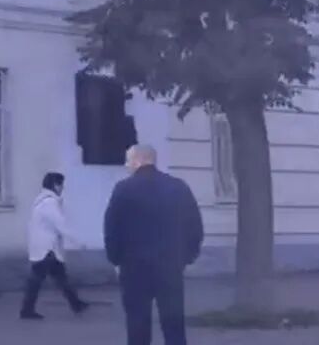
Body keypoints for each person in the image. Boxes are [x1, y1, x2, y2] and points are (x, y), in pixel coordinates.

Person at [104, 145, 204, 345]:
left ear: (138, 161)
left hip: (134, 268)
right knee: (174, 325)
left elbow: (112, 228)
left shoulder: (124, 189)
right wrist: (186, 257)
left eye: (128, 161)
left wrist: (116, 259)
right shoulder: (178, 187)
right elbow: (195, 226)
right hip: (170, 266)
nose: (126, 166)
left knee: (137, 324)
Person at [20, 172, 89, 320]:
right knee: (38, 280)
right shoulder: (49, 203)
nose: (63, 188)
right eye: (61, 185)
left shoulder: (41, 201)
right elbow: (61, 225)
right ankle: (27, 310)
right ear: (56, 185)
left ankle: (76, 303)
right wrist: (78, 242)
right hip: (47, 249)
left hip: (44, 247)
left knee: (60, 278)